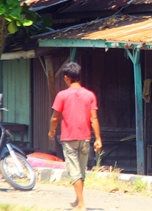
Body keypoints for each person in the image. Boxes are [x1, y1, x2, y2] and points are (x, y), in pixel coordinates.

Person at [48, 62, 102, 211]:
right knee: (81, 171)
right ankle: (78, 200)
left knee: (74, 172)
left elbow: (54, 118)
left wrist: (52, 131)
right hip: (85, 138)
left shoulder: (62, 95)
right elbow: (94, 119)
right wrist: (98, 138)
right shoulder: (90, 95)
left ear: (66, 78)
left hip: (69, 139)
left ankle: (81, 205)